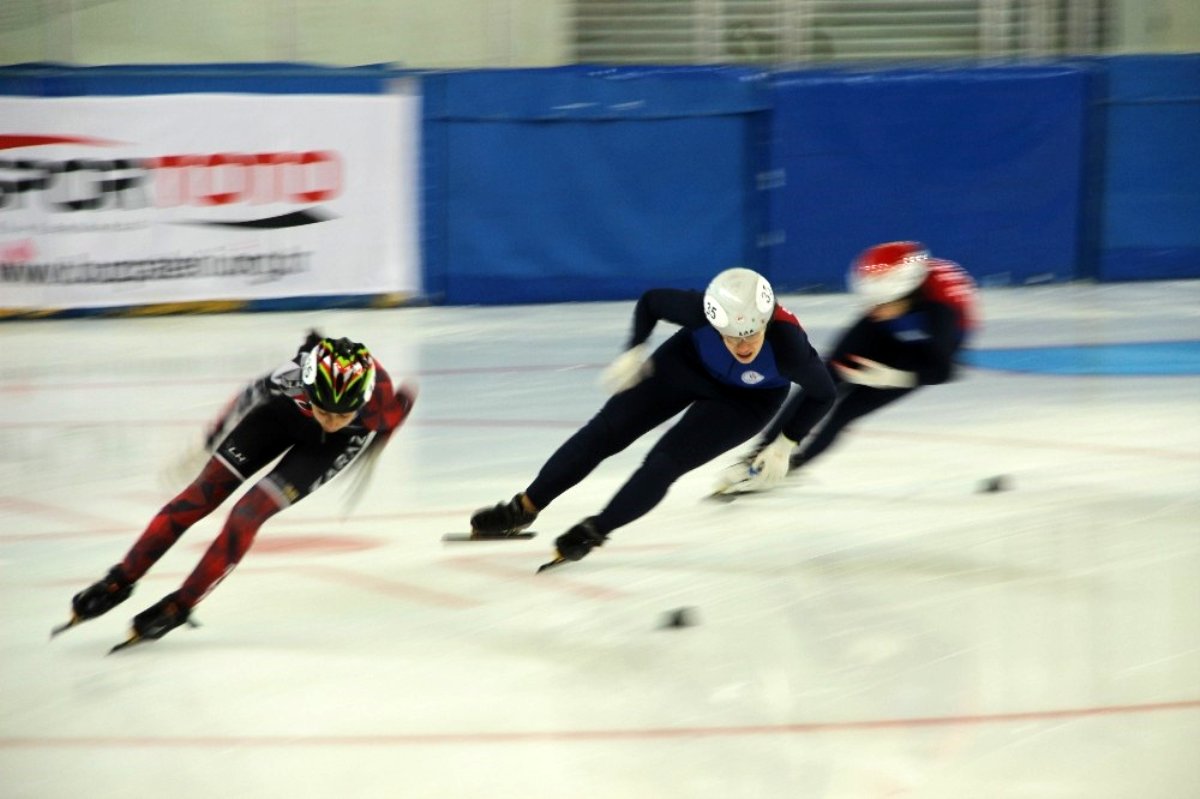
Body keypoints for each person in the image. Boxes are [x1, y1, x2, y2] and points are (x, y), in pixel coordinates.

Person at [57, 332, 416, 647]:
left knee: (246, 515)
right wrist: (208, 440)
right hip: (278, 419)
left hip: (326, 452)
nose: (333, 421)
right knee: (197, 497)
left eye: (343, 415)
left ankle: (181, 604)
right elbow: (246, 396)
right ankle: (120, 579)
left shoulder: (375, 409)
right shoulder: (291, 378)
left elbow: (404, 401)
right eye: (325, 411)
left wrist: (377, 442)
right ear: (309, 389)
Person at [468, 267, 837, 564]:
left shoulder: (788, 347)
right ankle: (523, 508)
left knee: (662, 464)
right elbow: (651, 302)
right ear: (714, 322)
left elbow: (823, 394)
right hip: (687, 363)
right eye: (730, 335)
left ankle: (595, 531)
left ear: (765, 321)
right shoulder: (699, 312)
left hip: (748, 402)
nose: (742, 346)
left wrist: (787, 440)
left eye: (750, 335)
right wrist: (633, 350)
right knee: (604, 432)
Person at [715, 241, 978, 494]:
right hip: (891, 332)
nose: (871, 310)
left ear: (905, 294)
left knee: (846, 411)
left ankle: (792, 469)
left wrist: (894, 377)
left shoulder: (942, 311)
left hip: (925, 355)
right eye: (869, 302)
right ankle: (759, 454)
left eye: (879, 303)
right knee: (825, 379)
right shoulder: (882, 308)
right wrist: (782, 443)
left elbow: (946, 370)